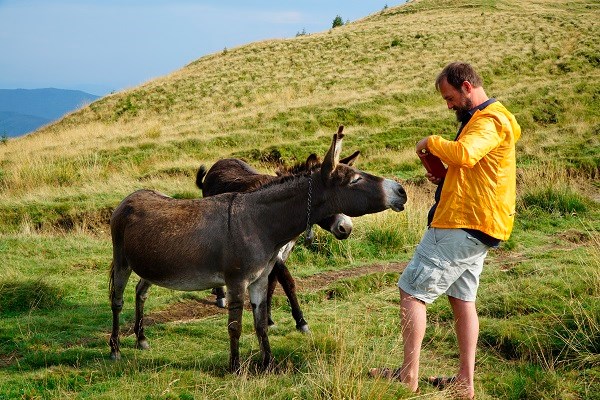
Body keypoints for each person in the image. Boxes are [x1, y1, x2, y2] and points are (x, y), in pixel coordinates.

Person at [370, 62, 521, 399]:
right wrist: (446, 176)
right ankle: (464, 383)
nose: (449, 105)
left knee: (412, 292)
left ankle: (408, 377)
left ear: (467, 87)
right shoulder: (489, 120)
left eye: (450, 98)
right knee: (462, 298)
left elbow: (466, 155)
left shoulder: (489, 119)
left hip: (460, 222)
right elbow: (473, 166)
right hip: (481, 224)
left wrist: (432, 142)